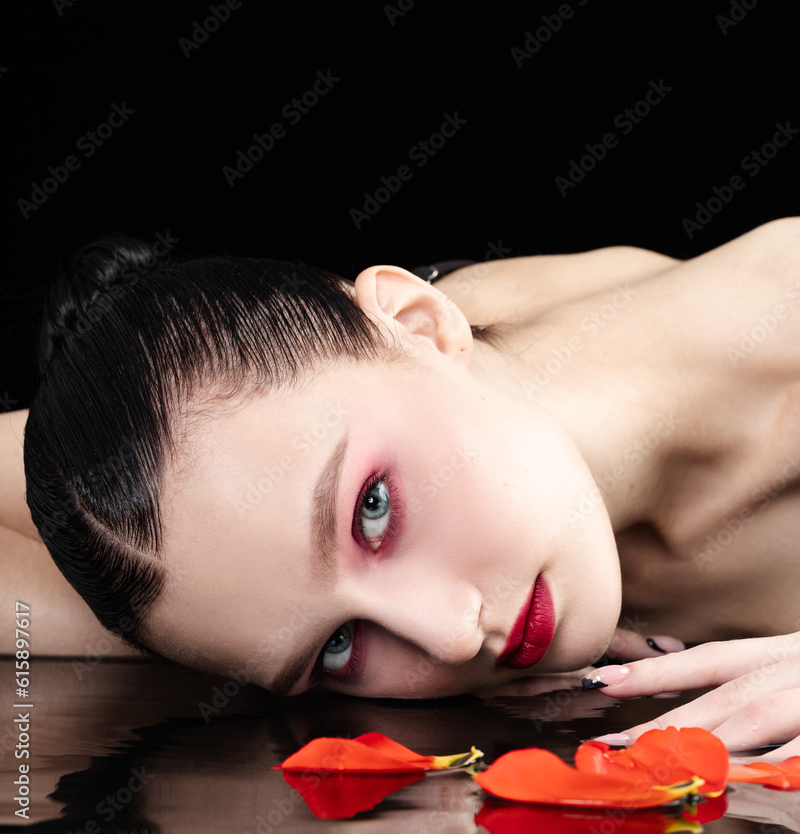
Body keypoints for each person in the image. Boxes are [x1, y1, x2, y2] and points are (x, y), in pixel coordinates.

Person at [6, 220, 800, 763]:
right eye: (339, 646)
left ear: (420, 323)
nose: (452, 640)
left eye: (373, 510)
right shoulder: (206, 503)